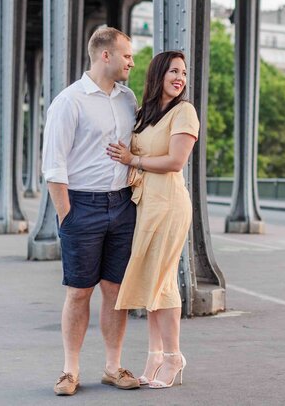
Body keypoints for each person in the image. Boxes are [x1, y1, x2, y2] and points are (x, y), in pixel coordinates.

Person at [41, 26, 140, 396]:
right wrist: (67, 215)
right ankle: (70, 371)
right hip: (82, 205)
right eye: (127, 55)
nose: (131, 62)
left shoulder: (128, 99)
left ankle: (113, 367)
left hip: (122, 204)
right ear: (105, 55)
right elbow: (54, 165)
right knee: (79, 292)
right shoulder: (69, 102)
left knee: (116, 292)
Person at [106, 50, 199, 389]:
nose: (180, 78)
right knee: (151, 282)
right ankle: (155, 355)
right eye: (174, 71)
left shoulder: (184, 112)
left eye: (184, 73)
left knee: (162, 281)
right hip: (145, 203)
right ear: (158, 74)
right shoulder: (146, 113)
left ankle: (173, 356)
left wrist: (133, 159)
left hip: (169, 204)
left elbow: (175, 161)